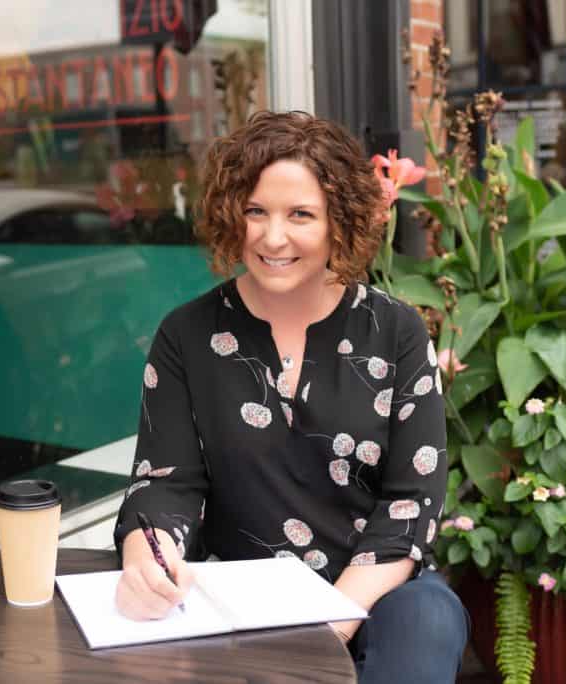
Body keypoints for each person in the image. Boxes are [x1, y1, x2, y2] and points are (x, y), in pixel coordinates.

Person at [113, 111, 468, 682]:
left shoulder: (397, 332)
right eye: (255, 211)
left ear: (339, 222)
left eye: (300, 215)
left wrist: (327, 628)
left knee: (429, 618)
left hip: (371, 593)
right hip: (239, 596)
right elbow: (165, 483)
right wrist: (147, 559)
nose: (272, 237)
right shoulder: (186, 336)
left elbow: (411, 503)